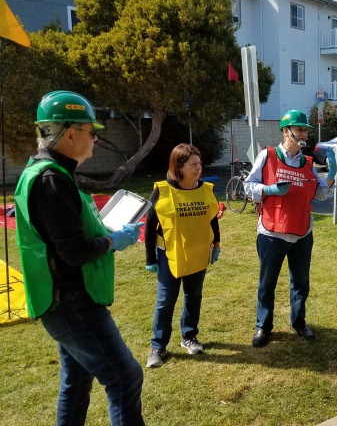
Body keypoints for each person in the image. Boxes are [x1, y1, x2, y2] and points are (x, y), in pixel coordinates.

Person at [14, 91, 145, 425]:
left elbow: (65, 237)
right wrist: (114, 240)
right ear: (70, 133)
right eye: (91, 130)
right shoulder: (52, 179)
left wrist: (104, 233)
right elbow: (74, 251)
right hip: (74, 304)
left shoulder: (46, 172)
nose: (96, 138)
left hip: (62, 303)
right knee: (124, 377)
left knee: (77, 380)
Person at [244, 109, 336, 347]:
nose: (304, 133)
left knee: (301, 282)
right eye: (299, 129)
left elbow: (321, 194)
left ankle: (298, 321)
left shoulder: (307, 163)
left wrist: (332, 176)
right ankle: (263, 326)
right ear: (286, 131)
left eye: (305, 129)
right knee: (267, 283)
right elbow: (248, 187)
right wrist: (269, 189)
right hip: (272, 233)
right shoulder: (268, 155)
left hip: (302, 233)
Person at [144, 143, 221, 368]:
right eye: (193, 164)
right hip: (168, 254)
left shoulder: (206, 189)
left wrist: (216, 245)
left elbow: (212, 218)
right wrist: (150, 258)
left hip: (198, 252)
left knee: (193, 295)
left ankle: (189, 336)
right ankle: (158, 346)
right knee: (165, 300)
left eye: (199, 163)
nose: (199, 168)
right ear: (179, 166)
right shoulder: (163, 190)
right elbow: (150, 224)